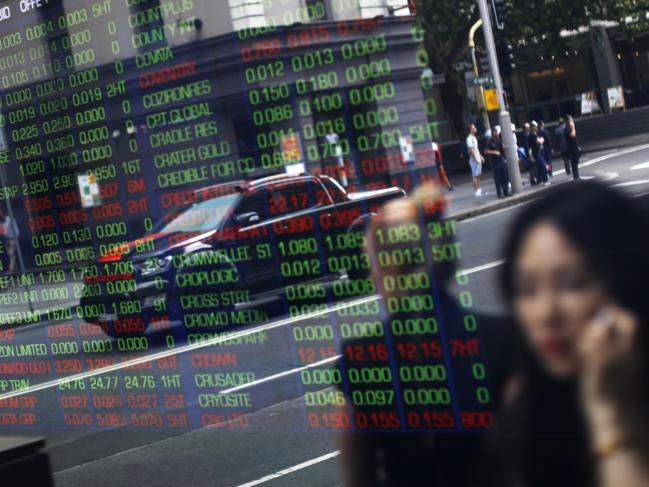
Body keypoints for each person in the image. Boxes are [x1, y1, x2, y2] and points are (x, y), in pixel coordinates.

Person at [337, 183, 514, 487]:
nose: (371, 277)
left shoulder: (358, 359)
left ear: (390, 270)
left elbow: (358, 478)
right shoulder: (502, 340)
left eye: (372, 266)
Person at [485, 181, 649, 487]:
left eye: (574, 284)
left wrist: (611, 414)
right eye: (527, 289)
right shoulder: (522, 407)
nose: (546, 313)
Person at [484, 126, 510, 198]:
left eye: (497, 133)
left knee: (504, 176)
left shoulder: (499, 140)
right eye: (495, 133)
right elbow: (486, 151)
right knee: (498, 178)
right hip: (495, 162)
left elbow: (501, 148)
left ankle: (506, 191)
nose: (496, 134)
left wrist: (504, 148)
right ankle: (499, 193)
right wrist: (494, 152)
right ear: (492, 134)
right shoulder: (489, 141)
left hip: (501, 160)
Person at [466, 124, 486, 197]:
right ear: (471, 129)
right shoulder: (469, 139)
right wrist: (476, 158)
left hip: (477, 158)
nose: (475, 128)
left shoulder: (474, 138)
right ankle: (477, 191)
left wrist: (480, 156)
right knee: (474, 175)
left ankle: (480, 190)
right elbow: (471, 150)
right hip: (474, 160)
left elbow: (476, 149)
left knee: (478, 175)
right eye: (474, 127)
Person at [528, 121, 549, 186]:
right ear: (531, 127)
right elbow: (540, 141)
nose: (536, 127)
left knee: (539, 167)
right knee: (543, 166)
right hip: (536, 153)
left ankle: (539, 181)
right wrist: (542, 139)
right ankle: (544, 180)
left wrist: (541, 140)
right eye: (534, 126)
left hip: (537, 153)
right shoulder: (533, 135)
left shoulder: (534, 134)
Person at [0, 208, 18, 274]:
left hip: (12, 238)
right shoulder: (2, 221)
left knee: (11, 253)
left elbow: (5, 230)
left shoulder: (9, 220)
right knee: (10, 254)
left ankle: (11, 269)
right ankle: (15, 269)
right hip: (6, 240)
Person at [566, 114, 581, 180]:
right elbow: (573, 135)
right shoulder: (567, 128)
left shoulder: (569, 127)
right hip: (572, 147)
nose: (572, 120)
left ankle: (576, 175)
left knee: (576, 160)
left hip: (574, 146)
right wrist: (573, 127)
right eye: (570, 119)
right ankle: (576, 175)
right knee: (574, 161)